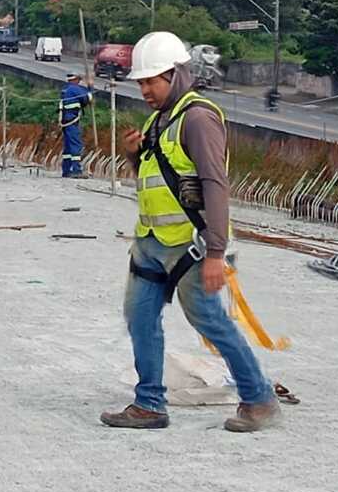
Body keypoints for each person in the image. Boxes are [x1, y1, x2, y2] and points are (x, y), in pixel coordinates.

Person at [101, 31, 280, 434]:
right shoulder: (161, 118)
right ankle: (149, 403)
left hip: (192, 247)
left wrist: (216, 252)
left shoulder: (198, 119)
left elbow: (215, 184)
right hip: (151, 242)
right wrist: (133, 154)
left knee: (211, 322)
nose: (145, 89)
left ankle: (258, 398)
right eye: (142, 82)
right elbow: (155, 177)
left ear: (177, 74)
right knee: (140, 317)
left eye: (152, 80)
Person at [59, 72, 91, 178]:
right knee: (76, 144)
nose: (79, 82)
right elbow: (86, 98)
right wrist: (90, 88)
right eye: (78, 80)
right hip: (72, 120)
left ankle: (66, 170)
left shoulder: (65, 89)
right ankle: (77, 170)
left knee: (68, 146)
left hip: (65, 120)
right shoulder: (75, 89)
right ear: (74, 79)